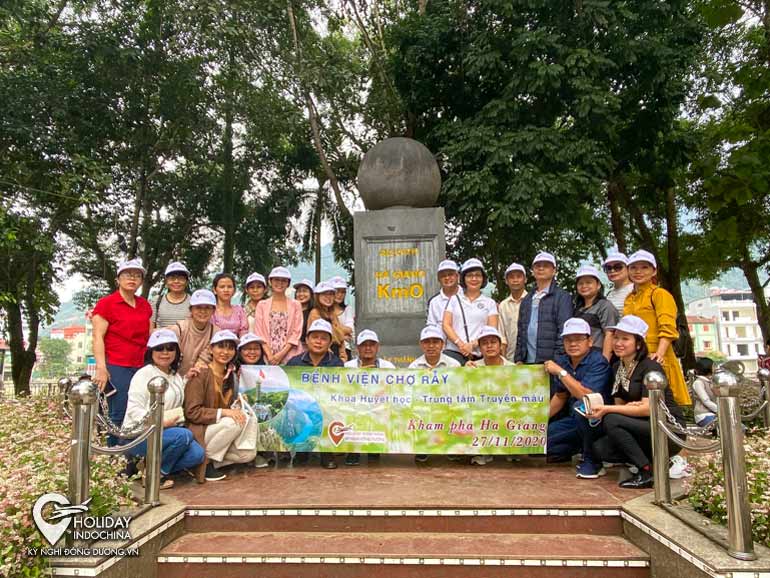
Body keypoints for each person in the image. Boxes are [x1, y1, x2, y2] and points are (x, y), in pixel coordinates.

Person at [590, 315, 686, 489]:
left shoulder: (650, 366)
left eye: (625, 339)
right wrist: (622, 408)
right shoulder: (617, 368)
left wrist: (606, 409)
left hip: (667, 430)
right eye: (616, 337)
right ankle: (660, 463)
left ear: (639, 343)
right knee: (601, 447)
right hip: (643, 426)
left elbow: (648, 409)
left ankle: (647, 471)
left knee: (610, 419)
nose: (618, 343)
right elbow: (619, 405)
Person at [123, 329, 205, 487]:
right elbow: (134, 411)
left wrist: (187, 379)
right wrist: (159, 421)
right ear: (151, 352)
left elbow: (175, 396)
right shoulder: (143, 375)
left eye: (170, 348)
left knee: (197, 455)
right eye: (159, 348)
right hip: (140, 434)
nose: (165, 352)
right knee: (184, 436)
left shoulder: (174, 375)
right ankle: (156, 476)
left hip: (166, 431)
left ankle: (149, 467)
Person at [92, 258, 153, 445]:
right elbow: (97, 337)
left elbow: (151, 334)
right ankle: (114, 455)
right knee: (119, 410)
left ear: (142, 281)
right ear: (118, 279)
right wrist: (101, 368)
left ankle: (133, 454)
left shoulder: (144, 305)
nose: (132, 279)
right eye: (127, 274)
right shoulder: (106, 304)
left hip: (141, 365)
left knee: (140, 410)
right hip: (117, 365)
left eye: (137, 275)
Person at [184, 330, 256, 482]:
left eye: (230, 348)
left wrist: (237, 405)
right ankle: (203, 462)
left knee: (247, 454)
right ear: (211, 349)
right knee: (233, 422)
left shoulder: (231, 376)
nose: (225, 352)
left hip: (216, 431)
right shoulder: (200, 374)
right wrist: (224, 412)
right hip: (201, 430)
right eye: (220, 347)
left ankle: (203, 462)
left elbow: (228, 407)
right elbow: (192, 412)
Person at [542, 318, 612, 475]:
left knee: (581, 406)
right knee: (539, 441)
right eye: (568, 340)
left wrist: (561, 373)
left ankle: (592, 459)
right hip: (573, 420)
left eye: (579, 339)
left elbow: (586, 396)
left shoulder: (598, 362)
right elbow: (560, 397)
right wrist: (537, 421)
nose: (573, 344)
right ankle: (576, 448)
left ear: (590, 341)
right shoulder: (564, 361)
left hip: (597, 420)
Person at [623, 250, 691, 406]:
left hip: (657, 353)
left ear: (654, 270)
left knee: (664, 400)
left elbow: (667, 327)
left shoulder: (660, 294)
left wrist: (659, 354)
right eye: (633, 267)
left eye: (644, 267)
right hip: (635, 355)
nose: (638, 271)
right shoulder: (630, 298)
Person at [286, 319, 344, 469]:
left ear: (330, 342)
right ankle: (301, 451)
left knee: (331, 412)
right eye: (315, 337)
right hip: (302, 406)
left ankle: (327, 453)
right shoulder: (294, 362)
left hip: (327, 406)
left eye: (324, 338)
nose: (319, 342)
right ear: (307, 340)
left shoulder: (336, 364)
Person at [342, 329, 394, 466]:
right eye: (364, 345)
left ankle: (374, 448)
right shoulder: (347, 367)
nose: (368, 348)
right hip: (354, 405)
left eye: (372, 344)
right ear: (358, 348)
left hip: (379, 406)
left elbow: (395, 391)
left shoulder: (388, 367)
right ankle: (353, 451)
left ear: (377, 347)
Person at [515, 252, 573, 367]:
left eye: (546, 265)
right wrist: (519, 358)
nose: (541, 268)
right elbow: (521, 333)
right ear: (533, 271)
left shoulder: (562, 297)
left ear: (554, 270)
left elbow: (564, 331)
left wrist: (557, 360)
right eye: (537, 266)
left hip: (551, 364)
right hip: (527, 362)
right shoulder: (527, 299)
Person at [466, 326, 513, 466]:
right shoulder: (473, 367)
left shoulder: (513, 368)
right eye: (485, 343)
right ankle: (482, 450)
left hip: (506, 411)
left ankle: (512, 448)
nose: (489, 346)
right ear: (480, 348)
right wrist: (465, 373)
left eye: (493, 342)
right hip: (481, 411)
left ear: (500, 346)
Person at [442, 258, 499, 365]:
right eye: (470, 276)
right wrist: (461, 345)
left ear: (483, 279)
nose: (474, 279)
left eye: (478, 275)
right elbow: (446, 324)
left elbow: (492, 329)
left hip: (479, 355)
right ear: (463, 278)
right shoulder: (454, 299)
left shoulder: (489, 303)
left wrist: (472, 345)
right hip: (454, 354)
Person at [252, 267, 303, 365]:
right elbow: (259, 333)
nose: (280, 283)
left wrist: (281, 354)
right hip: (267, 355)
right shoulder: (262, 305)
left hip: (291, 354)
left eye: (283, 280)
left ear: (288, 284)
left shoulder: (296, 305)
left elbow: (297, 332)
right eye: (276, 280)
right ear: (270, 282)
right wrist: (270, 356)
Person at [235, 332, 270, 469]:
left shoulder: (267, 371)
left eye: (256, 348)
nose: (252, 352)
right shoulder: (230, 369)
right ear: (239, 352)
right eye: (247, 349)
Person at [167, 289, 221, 376]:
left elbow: (205, 358)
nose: (203, 311)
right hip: (173, 377)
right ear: (191, 310)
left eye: (207, 307)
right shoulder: (179, 329)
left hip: (197, 377)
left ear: (213, 311)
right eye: (198, 307)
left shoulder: (216, 332)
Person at [573, 265, 619, 360]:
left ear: (598, 285)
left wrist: (604, 362)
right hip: (579, 358)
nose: (584, 286)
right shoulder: (577, 308)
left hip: (596, 357)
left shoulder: (605, 306)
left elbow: (609, 334)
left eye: (589, 282)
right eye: (580, 283)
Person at [306, 281, 348, 362]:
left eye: (331, 294)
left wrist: (343, 356)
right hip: (323, 355)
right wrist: (330, 358)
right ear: (317, 296)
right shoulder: (315, 313)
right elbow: (317, 337)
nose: (328, 297)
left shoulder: (332, 314)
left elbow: (341, 338)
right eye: (324, 294)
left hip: (337, 354)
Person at [497, 262, 528, 361]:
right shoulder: (503, 305)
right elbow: (502, 335)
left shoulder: (533, 301)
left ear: (525, 279)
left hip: (530, 357)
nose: (515, 280)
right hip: (510, 358)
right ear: (506, 281)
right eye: (511, 277)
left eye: (519, 276)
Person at [151, 262, 191, 328]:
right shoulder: (156, 301)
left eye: (181, 278)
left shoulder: (193, 302)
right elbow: (151, 330)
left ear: (187, 282)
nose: (176, 281)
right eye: (172, 278)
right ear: (166, 281)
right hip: (161, 338)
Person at [426, 260, 463, 331]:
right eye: (443, 276)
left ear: (457, 276)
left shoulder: (467, 296)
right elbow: (431, 327)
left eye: (450, 274)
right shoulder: (434, 302)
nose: (447, 278)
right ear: (438, 279)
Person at [330, 276, 355, 358]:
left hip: (345, 349)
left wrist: (333, 329)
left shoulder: (348, 309)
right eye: (337, 292)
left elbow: (350, 330)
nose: (340, 295)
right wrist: (342, 335)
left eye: (343, 292)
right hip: (327, 348)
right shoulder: (324, 311)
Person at [691, 357, 717, 428]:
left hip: (715, 414)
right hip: (703, 415)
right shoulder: (698, 382)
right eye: (714, 366)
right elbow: (706, 401)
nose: (716, 368)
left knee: (740, 427)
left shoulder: (712, 381)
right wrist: (720, 410)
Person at [293, 278, 314, 349]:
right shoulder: (291, 311)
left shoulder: (314, 312)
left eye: (305, 291)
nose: (301, 294)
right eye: (299, 291)